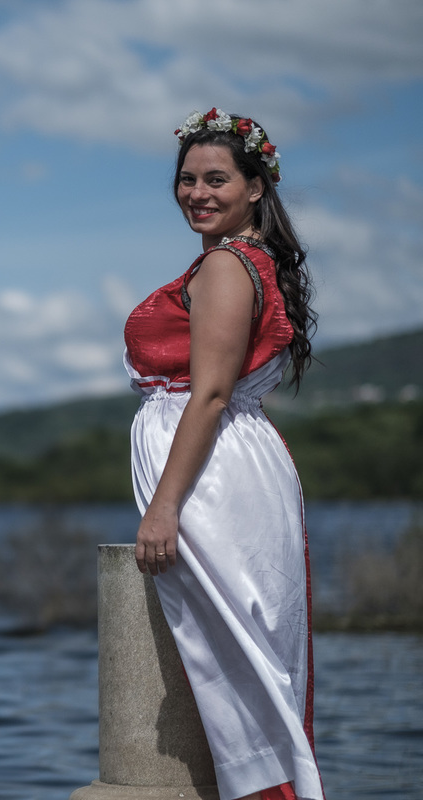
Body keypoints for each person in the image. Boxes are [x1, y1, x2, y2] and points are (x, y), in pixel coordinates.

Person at [123, 108, 324, 800]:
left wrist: (163, 507)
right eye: (186, 179)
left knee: (235, 667)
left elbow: (208, 396)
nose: (197, 193)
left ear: (255, 189)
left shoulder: (227, 268)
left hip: (211, 479)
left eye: (217, 179)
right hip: (226, 465)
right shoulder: (237, 262)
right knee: (241, 665)